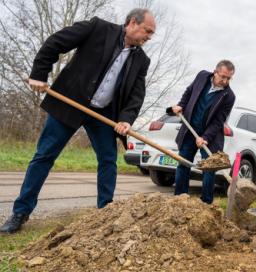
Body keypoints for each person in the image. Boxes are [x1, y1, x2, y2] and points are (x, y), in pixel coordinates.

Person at [0, 9, 155, 234]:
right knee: (44, 156)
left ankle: (105, 213)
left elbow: (136, 94)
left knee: (108, 160)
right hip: (70, 104)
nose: (149, 37)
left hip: (102, 114)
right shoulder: (97, 28)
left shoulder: (142, 59)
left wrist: (126, 119)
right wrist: (39, 74)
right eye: (147, 31)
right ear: (132, 23)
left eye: (151, 33)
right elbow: (56, 42)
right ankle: (20, 212)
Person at [169, 60, 236, 204]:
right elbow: (189, 92)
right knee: (183, 163)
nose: (225, 81)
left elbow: (219, 121)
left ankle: (206, 203)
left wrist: (205, 137)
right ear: (215, 71)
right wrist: (181, 105)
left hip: (210, 137)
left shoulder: (229, 96)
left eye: (228, 78)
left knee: (209, 169)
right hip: (190, 129)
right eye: (222, 76)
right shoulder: (202, 77)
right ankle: (180, 199)